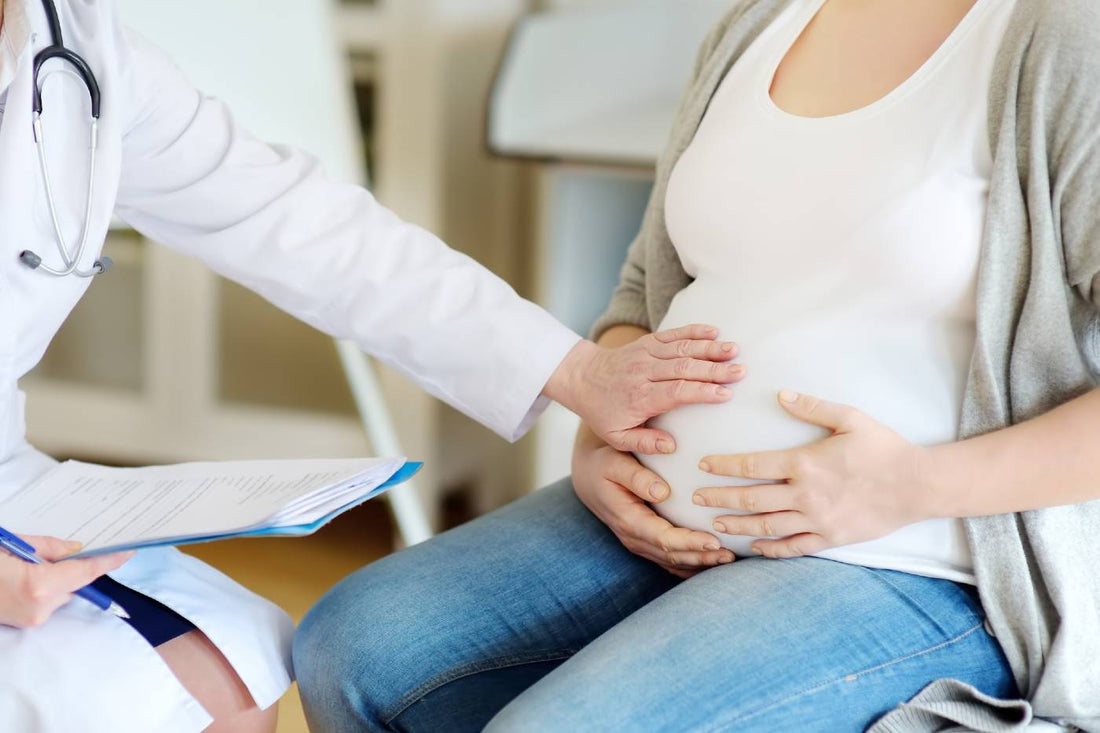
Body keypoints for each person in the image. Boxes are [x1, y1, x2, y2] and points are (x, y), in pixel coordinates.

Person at [294, 0, 1100, 730]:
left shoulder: (1064, 37)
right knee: (353, 649)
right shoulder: (756, 23)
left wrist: (912, 485)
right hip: (655, 521)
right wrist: (604, 432)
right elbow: (646, 287)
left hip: (916, 558)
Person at [0, 0, 746, 730]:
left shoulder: (73, 40)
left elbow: (298, 224)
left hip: (16, 486)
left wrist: (580, 372)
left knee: (228, 676)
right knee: (126, 699)